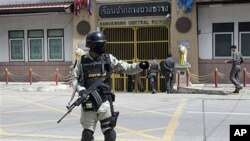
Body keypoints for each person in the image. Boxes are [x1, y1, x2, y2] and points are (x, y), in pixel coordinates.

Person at [72, 31, 149, 141]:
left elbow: (126, 68)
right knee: (87, 135)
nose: (103, 47)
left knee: (109, 133)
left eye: (104, 44)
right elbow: (73, 78)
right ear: (93, 46)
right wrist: (81, 90)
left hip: (104, 102)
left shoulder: (108, 59)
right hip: (88, 103)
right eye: (100, 45)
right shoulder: (82, 61)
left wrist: (140, 66)